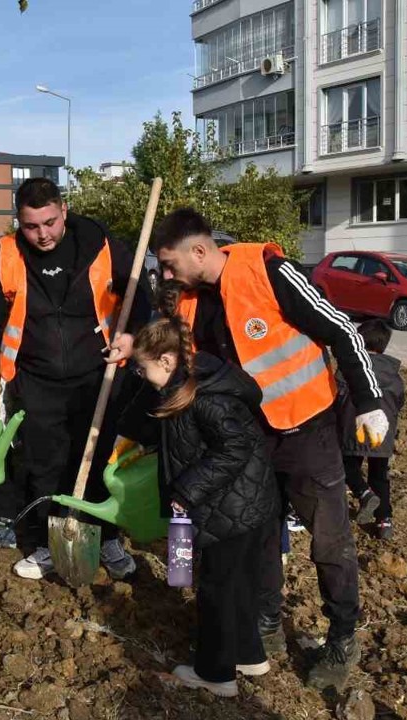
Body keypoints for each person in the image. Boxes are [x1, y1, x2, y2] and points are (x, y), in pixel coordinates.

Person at [146, 208, 389, 689]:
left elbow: (340, 329)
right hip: (249, 441)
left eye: (171, 264)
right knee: (259, 535)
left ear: (200, 250)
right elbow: (171, 354)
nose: (168, 275)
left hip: (306, 431)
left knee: (328, 540)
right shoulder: (191, 302)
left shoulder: (268, 272)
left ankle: (342, 635)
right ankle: (266, 624)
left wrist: (369, 400)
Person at [0, 177, 148, 580]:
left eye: (49, 222)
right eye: (31, 226)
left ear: (63, 210)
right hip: (37, 378)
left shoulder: (100, 243)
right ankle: (48, 543)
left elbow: (140, 295)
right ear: (18, 222)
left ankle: (106, 536)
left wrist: (131, 336)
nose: (42, 234)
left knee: (96, 459)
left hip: (98, 375)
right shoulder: (5, 254)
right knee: (45, 465)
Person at [132, 315, 279, 697]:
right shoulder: (184, 384)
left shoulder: (206, 396)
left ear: (165, 361)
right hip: (244, 504)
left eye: (142, 366)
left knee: (218, 589)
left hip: (231, 507)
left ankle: (216, 674)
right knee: (239, 585)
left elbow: (235, 447)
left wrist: (187, 488)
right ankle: (248, 654)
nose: (140, 374)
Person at [338, 319, 405, 540]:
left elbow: (335, 397)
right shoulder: (394, 376)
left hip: (352, 428)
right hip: (382, 432)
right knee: (379, 475)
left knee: (348, 467)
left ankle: (363, 493)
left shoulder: (350, 368)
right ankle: (384, 521)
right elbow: (398, 402)